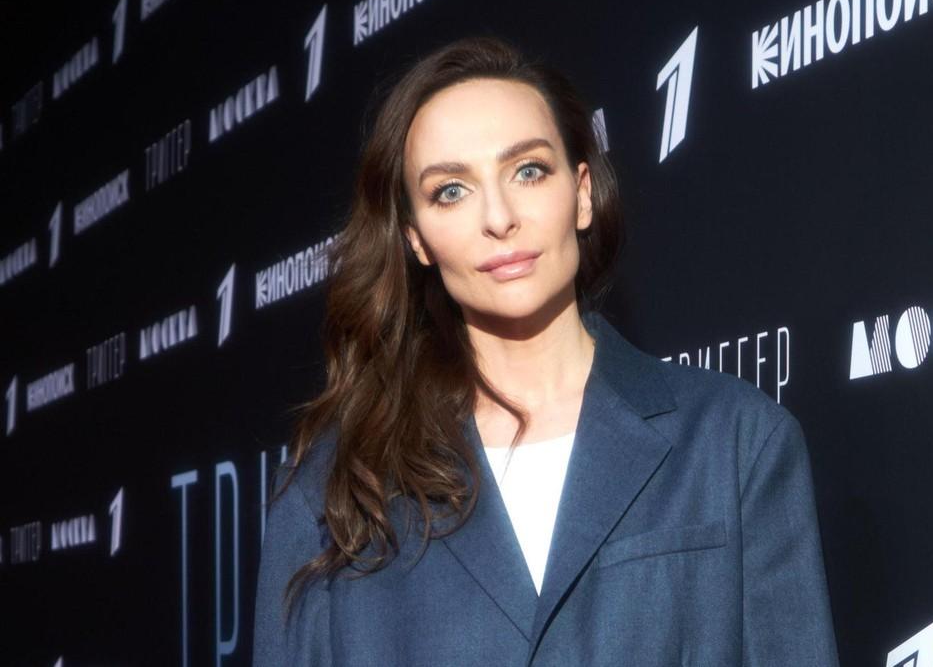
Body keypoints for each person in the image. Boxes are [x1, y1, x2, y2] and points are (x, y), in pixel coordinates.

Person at [252, 35, 839, 666]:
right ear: (416, 238)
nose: (499, 217)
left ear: (581, 193)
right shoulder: (334, 488)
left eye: (527, 170)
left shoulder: (733, 441)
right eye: (451, 190)